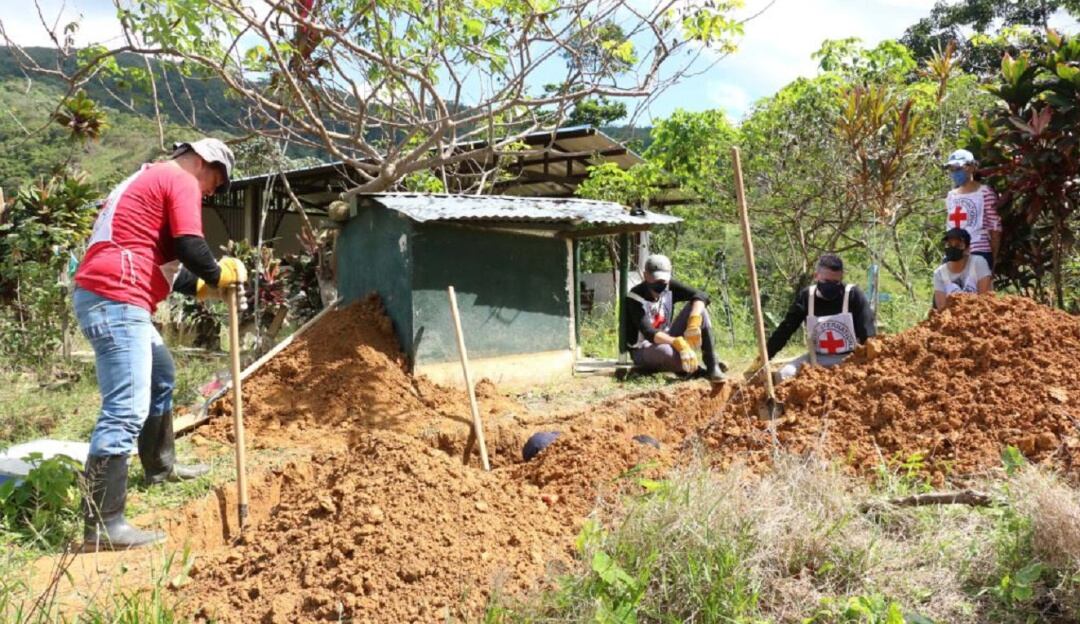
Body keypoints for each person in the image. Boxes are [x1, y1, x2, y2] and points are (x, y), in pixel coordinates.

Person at [73, 138, 247, 551]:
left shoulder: (148, 179)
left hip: (111, 292)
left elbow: (168, 265)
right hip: (117, 297)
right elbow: (191, 245)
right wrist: (218, 271)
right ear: (205, 163)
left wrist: (205, 284)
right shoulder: (179, 178)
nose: (210, 193)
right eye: (215, 184)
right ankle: (104, 523)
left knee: (161, 375)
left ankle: (160, 467)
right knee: (124, 409)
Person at [752, 254, 876, 382]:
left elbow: (869, 335)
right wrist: (763, 359)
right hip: (816, 358)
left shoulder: (854, 295)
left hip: (849, 358)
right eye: (827, 281)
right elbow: (786, 329)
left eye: (836, 282)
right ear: (816, 276)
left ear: (841, 277)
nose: (831, 286)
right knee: (783, 375)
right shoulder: (807, 297)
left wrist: (868, 364)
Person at [622, 254, 725, 382]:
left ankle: (712, 365)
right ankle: (695, 370)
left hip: (667, 337)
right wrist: (677, 343)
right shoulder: (635, 297)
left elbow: (701, 295)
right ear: (645, 275)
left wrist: (693, 321)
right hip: (643, 349)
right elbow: (649, 333)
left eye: (664, 280)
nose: (660, 284)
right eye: (656, 279)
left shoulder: (670, 287)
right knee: (667, 353)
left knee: (699, 307)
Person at [944, 149, 1001, 270]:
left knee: (978, 289)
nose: (954, 172)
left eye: (958, 168)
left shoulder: (985, 193)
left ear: (971, 167)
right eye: (951, 169)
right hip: (953, 254)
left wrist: (993, 261)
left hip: (979, 254)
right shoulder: (951, 196)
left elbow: (995, 229)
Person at [933, 227, 992, 310]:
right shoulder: (939, 274)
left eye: (958, 245)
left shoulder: (978, 263)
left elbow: (985, 299)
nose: (953, 248)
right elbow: (942, 309)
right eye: (949, 245)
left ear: (967, 249)